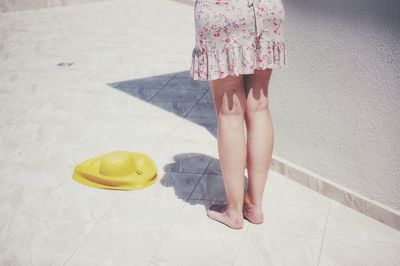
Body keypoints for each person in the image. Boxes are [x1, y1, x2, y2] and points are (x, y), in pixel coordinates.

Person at [190, 0, 287, 229]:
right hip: (266, 9)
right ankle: (254, 205)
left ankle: (234, 211)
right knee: (259, 106)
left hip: (224, 12)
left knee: (230, 112)